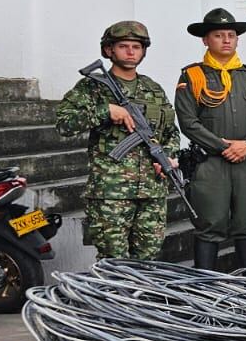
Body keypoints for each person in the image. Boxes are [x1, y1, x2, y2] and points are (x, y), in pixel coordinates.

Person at [54, 20, 180, 260]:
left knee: (148, 261)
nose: (131, 52)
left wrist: (168, 156)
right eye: (123, 46)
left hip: (152, 191)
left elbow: (170, 131)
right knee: (113, 262)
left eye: (136, 47)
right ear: (109, 50)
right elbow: (64, 124)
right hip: (111, 192)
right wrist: (106, 111)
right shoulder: (92, 87)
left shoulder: (152, 89)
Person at [175, 8, 246, 271]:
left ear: (237, 40)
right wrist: (223, 146)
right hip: (211, 164)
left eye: (231, 35)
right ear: (205, 40)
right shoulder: (192, 77)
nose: (226, 40)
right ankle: (206, 290)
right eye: (218, 35)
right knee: (209, 227)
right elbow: (188, 122)